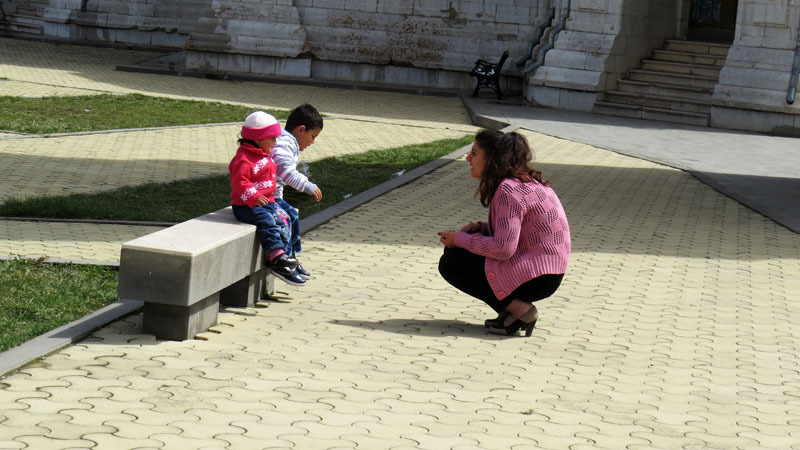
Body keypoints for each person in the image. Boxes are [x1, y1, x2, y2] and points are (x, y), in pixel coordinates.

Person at [437, 129, 571, 337]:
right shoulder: (528, 183)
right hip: (548, 272)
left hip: (536, 276)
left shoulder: (509, 190)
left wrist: (460, 239)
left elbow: (503, 249)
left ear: (491, 158)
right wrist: (482, 228)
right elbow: (522, 231)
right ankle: (511, 312)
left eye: (474, 153)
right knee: (460, 255)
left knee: (453, 261)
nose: (467, 158)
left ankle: (519, 310)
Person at [229, 110, 306, 287]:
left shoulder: (263, 155)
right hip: (246, 206)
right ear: (258, 138)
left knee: (284, 219)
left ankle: (287, 256)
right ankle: (276, 257)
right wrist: (254, 196)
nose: (275, 142)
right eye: (272, 138)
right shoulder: (244, 159)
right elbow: (239, 182)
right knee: (267, 221)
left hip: (265, 203)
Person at [271, 103, 324, 280]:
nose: (313, 142)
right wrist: (308, 186)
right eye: (312, 136)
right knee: (284, 220)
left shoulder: (288, 141)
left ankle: (291, 257)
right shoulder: (285, 143)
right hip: (265, 197)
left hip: (273, 195)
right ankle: (282, 262)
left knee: (292, 214)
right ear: (301, 130)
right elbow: (285, 172)